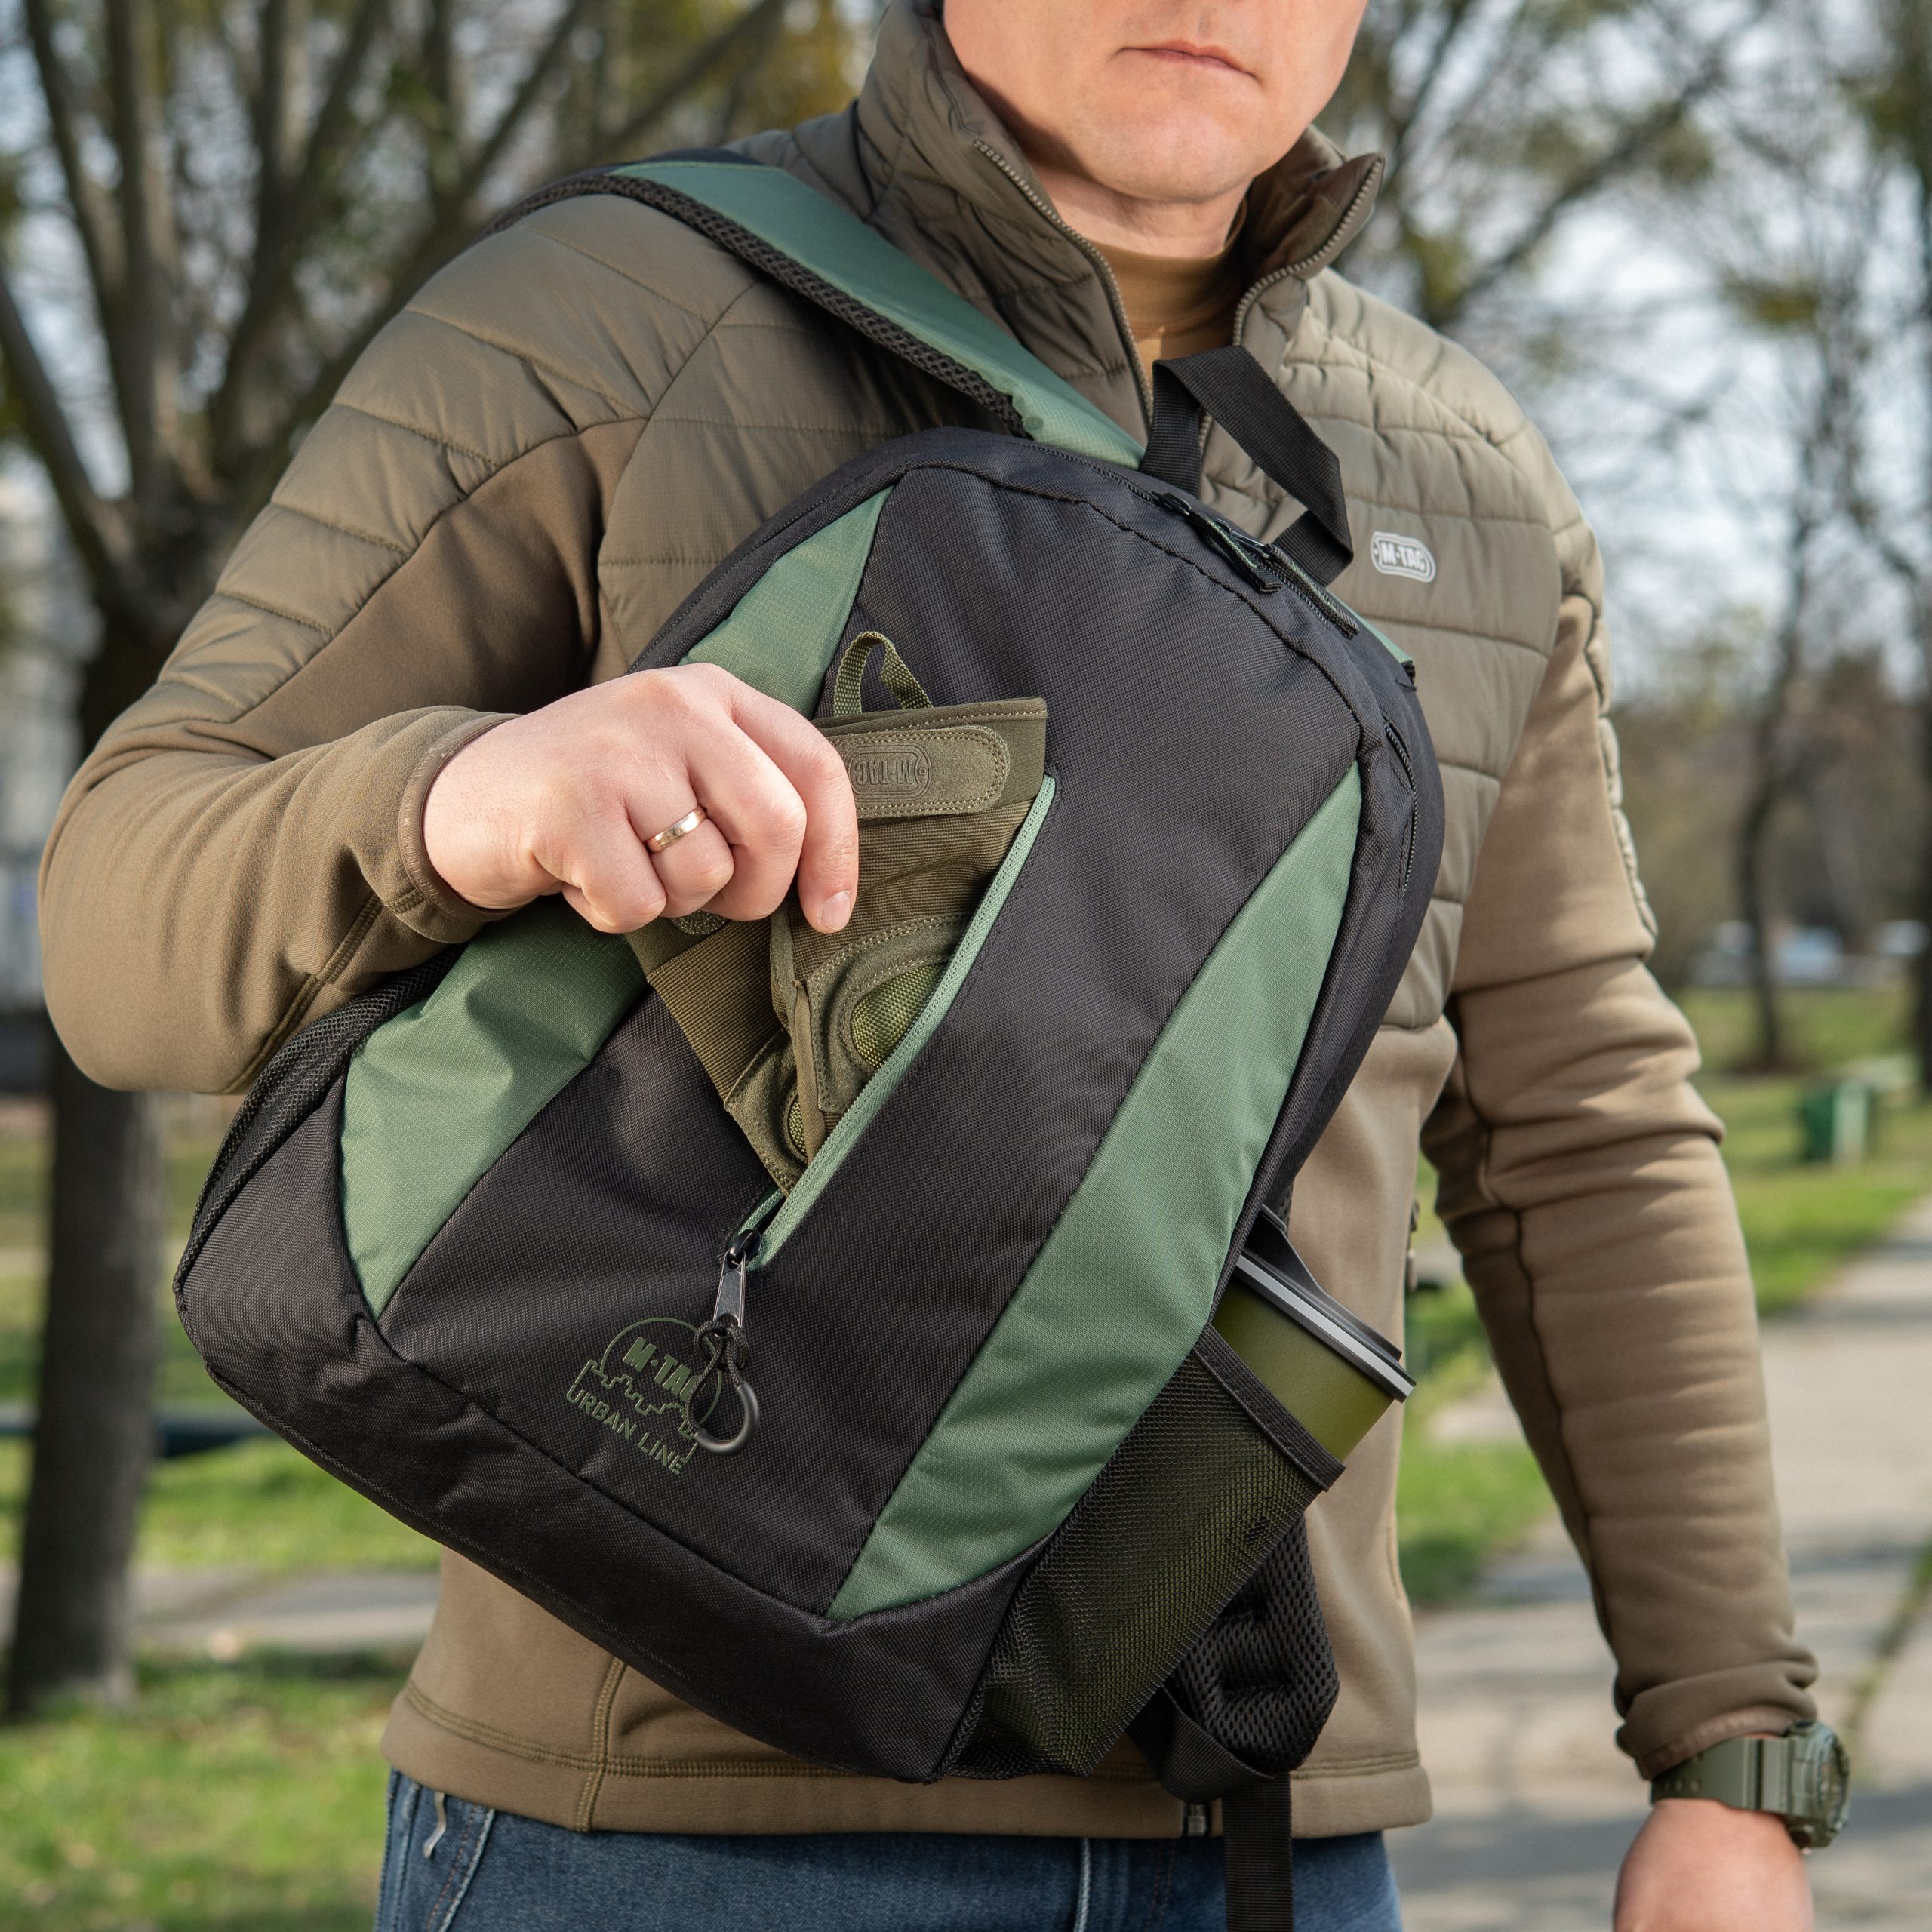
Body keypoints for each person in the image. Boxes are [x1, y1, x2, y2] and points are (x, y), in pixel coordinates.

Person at [38, 3, 1824, 1927]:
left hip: (1260, 1830)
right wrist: (462, 795)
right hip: (669, 1840)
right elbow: (116, 922)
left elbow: (1581, 1128)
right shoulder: (608, 315)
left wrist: (1729, 1751)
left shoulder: (1469, 479)